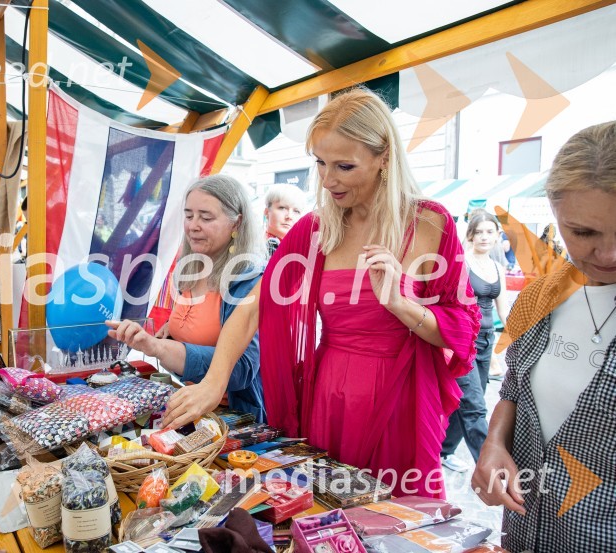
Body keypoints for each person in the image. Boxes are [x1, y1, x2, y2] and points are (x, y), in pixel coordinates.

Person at [163, 88, 481, 498]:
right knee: (325, 512)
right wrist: (214, 380)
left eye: (344, 166)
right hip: (329, 397)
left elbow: (462, 328)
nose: (328, 180)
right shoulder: (315, 229)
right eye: (320, 163)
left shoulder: (430, 224)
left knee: (395, 515)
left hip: (399, 401)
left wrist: (401, 305)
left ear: (384, 157)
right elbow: (254, 306)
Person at [473, 121, 616, 552]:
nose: (608, 254)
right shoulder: (542, 295)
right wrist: (494, 444)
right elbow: (514, 388)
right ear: (555, 215)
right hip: (526, 528)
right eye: (584, 232)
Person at [107, 174, 266, 421]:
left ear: (236, 223)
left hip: (234, 417)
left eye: (206, 217)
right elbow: (198, 331)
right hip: (186, 406)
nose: (193, 226)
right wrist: (161, 335)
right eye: (189, 215)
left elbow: (242, 368)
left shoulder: (249, 280)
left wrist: (158, 347)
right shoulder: (191, 270)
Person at [440, 209, 508, 473]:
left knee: (466, 401)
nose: (484, 237)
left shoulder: (498, 268)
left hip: (487, 341)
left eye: (489, 232)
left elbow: (503, 311)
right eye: (479, 232)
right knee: (476, 407)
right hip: (464, 341)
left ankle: (443, 451)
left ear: (497, 235)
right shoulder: (461, 264)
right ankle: (491, 471)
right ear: (470, 236)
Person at [264, 183, 307, 256]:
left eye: (296, 211)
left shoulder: (305, 250)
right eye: (282, 208)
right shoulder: (252, 246)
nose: (289, 216)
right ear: (267, 212)